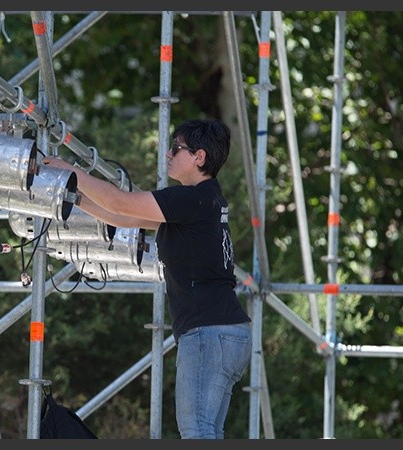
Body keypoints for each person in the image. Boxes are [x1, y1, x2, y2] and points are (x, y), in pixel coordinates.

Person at [42, 118, 252, 439]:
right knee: (208, 431)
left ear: (199, 158)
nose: (168, 154)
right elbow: (122, 216)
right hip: (225, 331)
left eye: (177, 148)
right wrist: (73, 197)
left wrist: (72, 172)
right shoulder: (202, 200)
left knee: (198, 432)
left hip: (209, 331)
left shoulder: (191, 199)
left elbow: (120, 201)